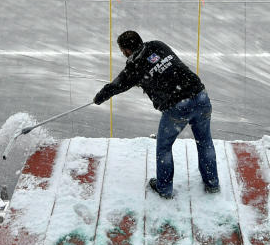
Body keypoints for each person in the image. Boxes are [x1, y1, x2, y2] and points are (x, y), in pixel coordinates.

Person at [93, 30, 219, 199]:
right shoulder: (157, 45)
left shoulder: (135, 68)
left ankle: (164, 189)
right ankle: (212, 184)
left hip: (178, 107)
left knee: (164, 147)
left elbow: (118, 84)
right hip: (200, 96)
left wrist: (100, 97)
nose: (123, 54)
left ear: (127, 50)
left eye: (122, 50)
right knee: (205, 142)